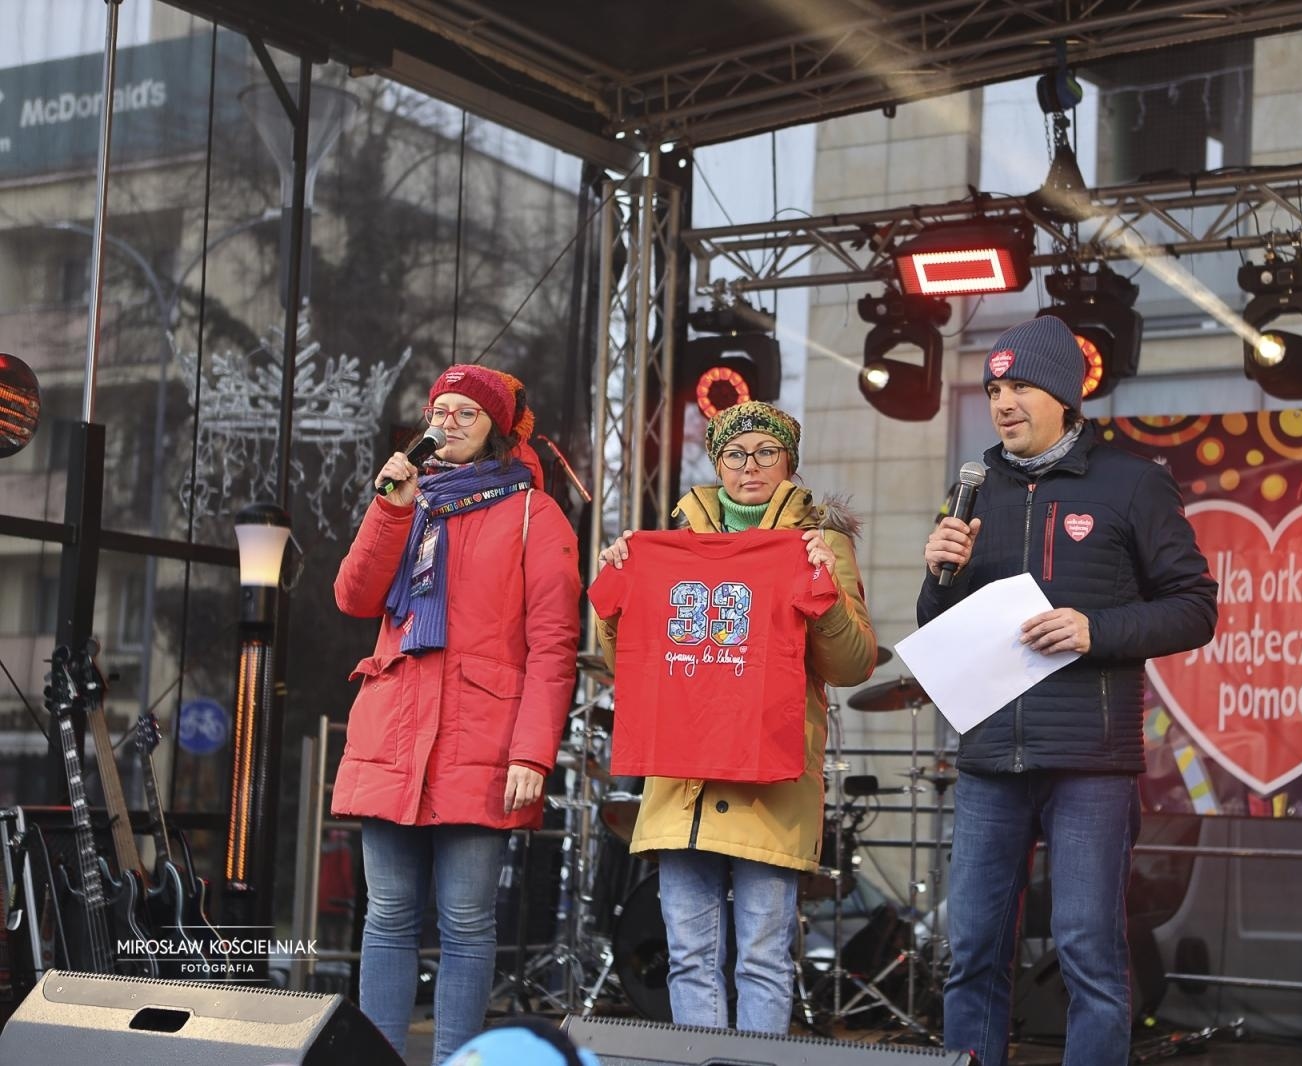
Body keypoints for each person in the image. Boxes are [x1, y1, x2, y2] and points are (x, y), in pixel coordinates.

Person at [920, 317, 1218, 1066]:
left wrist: (1096, 630)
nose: (1002, 402)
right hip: (990, 760)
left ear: (1062, 393)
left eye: (1019, 385)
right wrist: (937, 575)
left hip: (1090, 761)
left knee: (1090, 950)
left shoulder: (1131, 482)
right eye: (993, 388)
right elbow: (939, 626)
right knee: (975, 951)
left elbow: (1195, 608)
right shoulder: (974, 488)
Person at [594, 401, 877, 1033]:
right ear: (716, 462)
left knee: (763, 960)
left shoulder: (817, 544)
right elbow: (630, 662)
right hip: (681, 780)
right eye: (733, 454)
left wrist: (825, 593)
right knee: (688, 959)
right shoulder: (671, 545)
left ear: (789, 462)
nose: (749, 466)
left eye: (765, 452)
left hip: (768, 779)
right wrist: (616, 597)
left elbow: (854, 663)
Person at [332, 364, 581, 1065]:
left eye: (465, 413)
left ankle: (456, 1062)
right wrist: (389, 510)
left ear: (496, 429)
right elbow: (353, 596)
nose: (446, 424)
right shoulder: (410, 502)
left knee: (467, 923)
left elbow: (554, 647)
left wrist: (533, 752)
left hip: (483, 739)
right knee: (385, 919)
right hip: (394, 732)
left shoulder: (535, 513)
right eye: (439, 411)